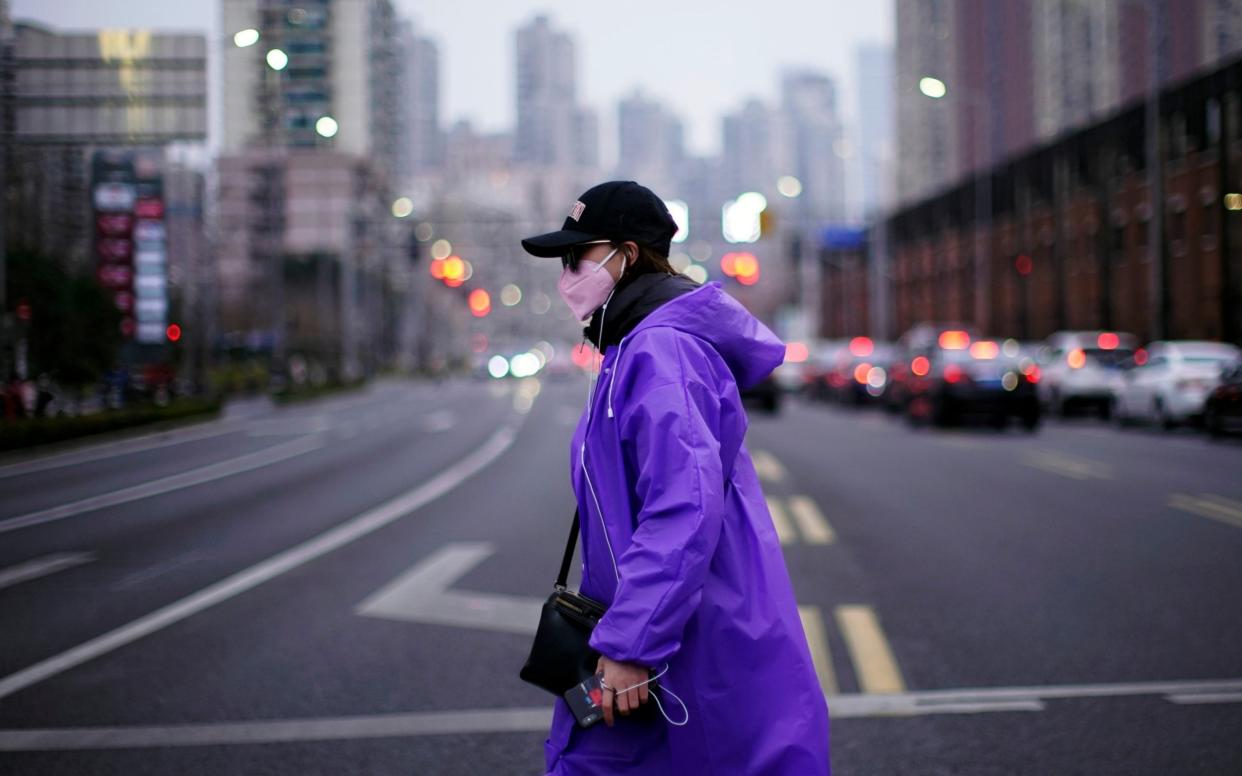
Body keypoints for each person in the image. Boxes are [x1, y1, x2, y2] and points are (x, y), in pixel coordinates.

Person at [521, 181, 831, 775]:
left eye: (578, 255)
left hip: (691, 643)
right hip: (664, 633)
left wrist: (632, 643)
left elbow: (682, 507)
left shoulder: (661, 351)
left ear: (627, 255)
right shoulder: (634, 347)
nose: (567, 272)